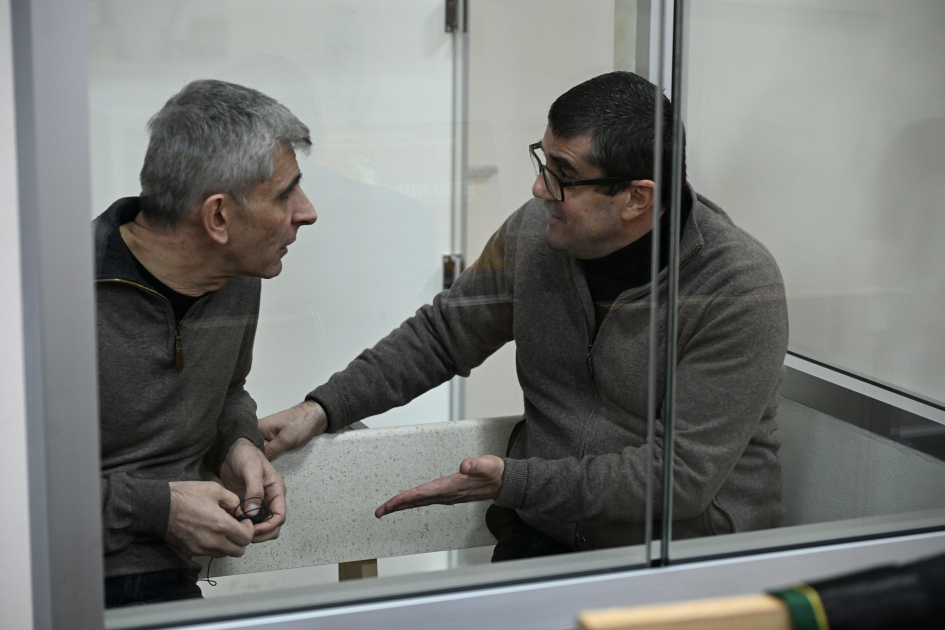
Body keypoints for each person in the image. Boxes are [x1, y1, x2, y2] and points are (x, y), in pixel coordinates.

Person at [260, 71, 788, 560]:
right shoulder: (535, 234)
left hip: (683, 554)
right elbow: (443, 335)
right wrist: (324, 407)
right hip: (547, 531)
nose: (539, 189)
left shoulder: (737, 287)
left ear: (636, 198)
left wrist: (517, 482)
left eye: (564, 176)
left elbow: (679, 479)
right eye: (544, 162)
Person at [96, 79, 317, 606]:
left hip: (169, 578)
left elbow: (227, 390)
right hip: (53, 578)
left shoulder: (236, 273)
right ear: (218, 217)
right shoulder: (44, 296)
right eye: (285, 194)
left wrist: (237, 442)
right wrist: (160, 508)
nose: (307, 211)